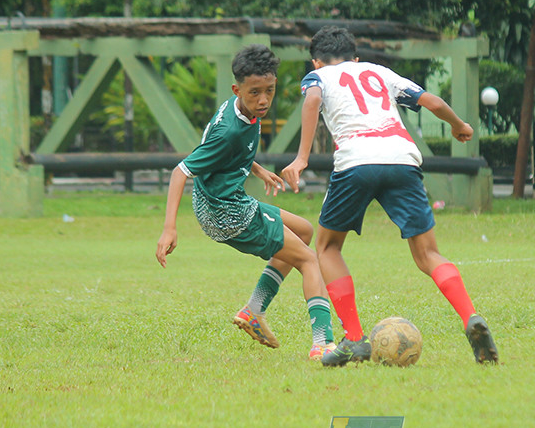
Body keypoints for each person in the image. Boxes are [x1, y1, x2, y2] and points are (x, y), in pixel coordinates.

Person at [281, 26, 499, 366]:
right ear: (355, 58)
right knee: (428, 254)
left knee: (326, 247)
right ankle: (470, 316)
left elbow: (312, 100)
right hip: (402, 158)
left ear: (316, 62)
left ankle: (354, 338)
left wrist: (302, 158)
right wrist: (460, 125)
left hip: (356, 161)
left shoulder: (318, 78)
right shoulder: (378, 72)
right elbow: (433, 101)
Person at [156, 44, 336, 360]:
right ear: (237, 89)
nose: (263, 99)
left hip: (221, 202)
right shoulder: (228, 130)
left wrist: (258, 169)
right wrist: (169, 228)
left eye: (270, 90)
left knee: (304, 230)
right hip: (227, 212)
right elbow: (180, 172)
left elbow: (228, 154)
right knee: (309, 259)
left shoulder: (242, 109)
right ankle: (323, 343)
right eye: (255, 93)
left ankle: (254, 311)